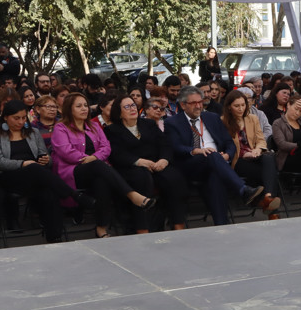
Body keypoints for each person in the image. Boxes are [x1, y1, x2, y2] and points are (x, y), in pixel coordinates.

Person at [51, 92, 155, 238]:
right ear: (69, 109)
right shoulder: (60, 128)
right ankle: (132, 195)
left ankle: (101, 228)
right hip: (74, 171)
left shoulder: (93, 125)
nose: (84, 109)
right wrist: (88, 159)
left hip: (98, 169)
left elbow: (106, 147)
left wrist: (94, 157)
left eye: (86, 105)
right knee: (98, 167)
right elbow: (65, 151)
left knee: (102, 181)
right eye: (79, 106)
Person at [0, 99, 91, 242]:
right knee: (35, 169)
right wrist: (24, 163)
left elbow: (46, 156)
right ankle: (73, 195)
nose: (21, 122)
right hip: (8, 177)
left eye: (24, 118)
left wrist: (46, 160)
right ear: (5, 117)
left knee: (49, 191)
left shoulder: (33, 132)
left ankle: (55, 237)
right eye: (16, 118)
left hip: (35, 176)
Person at [165, 86, 269, 225]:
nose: (198, 106)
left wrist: (227, 155)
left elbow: (229, 143)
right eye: (193, 103)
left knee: (215, 177)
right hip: (192, 164)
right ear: (183, 105)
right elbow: (175, 147)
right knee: (211, 154)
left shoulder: (212, 117)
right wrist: (195, 150)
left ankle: (222, 225)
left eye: (200, 102)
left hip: (217, 164)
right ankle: (243, 189)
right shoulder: (172, 122)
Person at [106, 95, 191, 232]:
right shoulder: (112, 130)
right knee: (141, 179)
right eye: (127, 107)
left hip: (156, 164)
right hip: (131, 167)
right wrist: (139, 161)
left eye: (133, 105)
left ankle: (178, 223)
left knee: (174, 178)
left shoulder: (149, 124)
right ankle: (142, 228)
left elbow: (165, 144)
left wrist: (164, 159)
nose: (132, 108)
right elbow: (116, 154)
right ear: (119, 112)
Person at [221, 89, 282, 219]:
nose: (241, 108)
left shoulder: (252, 118)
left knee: (268, 159)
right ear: (229, 107)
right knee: (270, 173)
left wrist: (258, 150)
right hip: (237, 160)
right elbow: (227, 146)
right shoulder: (223, 121)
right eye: (236, 106)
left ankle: (268, 198)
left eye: (243, 105)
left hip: (254, 156)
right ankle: (272, 211)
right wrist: (244, 154)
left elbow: (261, 139)